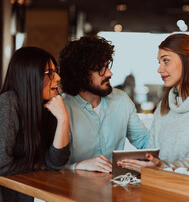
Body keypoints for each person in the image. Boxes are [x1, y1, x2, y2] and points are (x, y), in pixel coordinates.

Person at [118, 33, 189, 172]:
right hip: (163, 185)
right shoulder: (163, 106)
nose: (159, 69)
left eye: (166, 61)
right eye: (159, 62)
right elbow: (153, 153)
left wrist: (161, 166)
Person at [59, 35, 149, 173]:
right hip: (72, 190)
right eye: (99, 69)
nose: (109, 73)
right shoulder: (62, 109)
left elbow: (145, 142)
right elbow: (50, 167)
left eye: (107, 66)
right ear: (80, 75)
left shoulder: (122, 100)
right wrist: (78, 166)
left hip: (117, 189)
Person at [0, 47, 70, 202]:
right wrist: (39, 164)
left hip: (35, 195)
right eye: (50, 73)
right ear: (29, 76)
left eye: (56, 70)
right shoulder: (8, 103)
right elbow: (2, 165)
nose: (58, 77)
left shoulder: (50, 105)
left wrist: (63, 119)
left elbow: (56, 163)